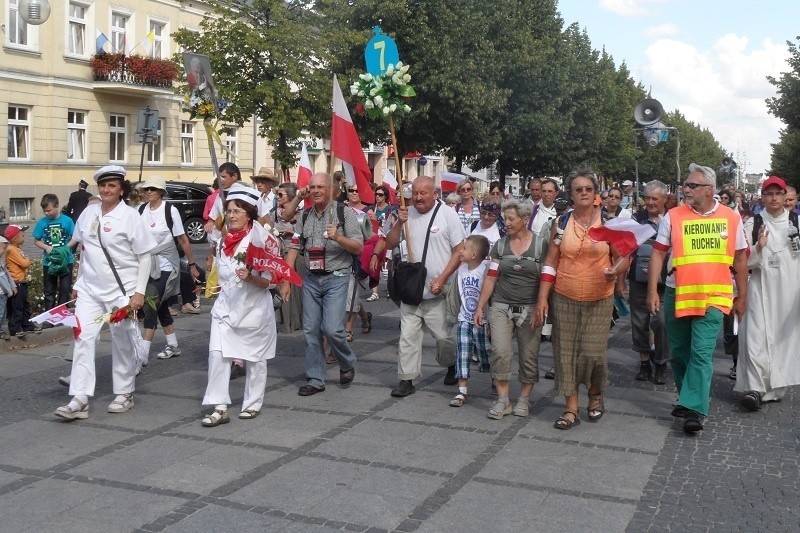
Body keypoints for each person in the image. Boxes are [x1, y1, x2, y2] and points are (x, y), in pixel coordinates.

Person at [646, 163, 748, 434]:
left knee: (701, 353)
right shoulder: (674, 216)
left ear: (709, 190)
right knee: (679, 354)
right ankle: (687, 397)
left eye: (692, 185)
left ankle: (695, 410)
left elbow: (740, 258)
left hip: (714, 295)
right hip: (676, 293)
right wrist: (652, 291)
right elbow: (658, 252)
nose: (686, 189)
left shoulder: (730, 217)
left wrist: (742, 297)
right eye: (685, 185)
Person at [54, 165, 157, 420]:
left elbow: (145, 257)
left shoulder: (131, 217)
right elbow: (83, 251)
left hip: (121, 291)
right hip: (90, 289)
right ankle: (79, 398)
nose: (106, 190)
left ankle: (124, 392)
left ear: (122, 190)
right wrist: (78, 284)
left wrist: (139, 292)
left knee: (121, 339)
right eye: (103, 185)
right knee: (83, 338)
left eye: (112, 186)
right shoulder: (89, 213)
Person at [535, 169, 628, 430]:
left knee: (592, 353)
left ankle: (595, 394)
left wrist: (615, 270)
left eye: (588, 188)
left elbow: (624, 257)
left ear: (596, 194)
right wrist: (543, 298)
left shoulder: (609, 224)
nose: (584, 193)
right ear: (571, 195)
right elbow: (551, 262)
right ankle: (571, 408)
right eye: (579, 189)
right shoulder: (561, 224)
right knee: (565, 354)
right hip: (564, 297)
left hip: (600, 298)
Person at [200, 184, 277, 426]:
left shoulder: (262, 240)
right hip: (225, 309)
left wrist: (251, 277)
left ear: (250, 214)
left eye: (237, 211)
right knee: (217, 355)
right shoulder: (224, 242)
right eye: (229, 211)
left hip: (253, 310)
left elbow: (270, 282)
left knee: (255, 359)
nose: (231, 216)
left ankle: (252, 403)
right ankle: (219, 406)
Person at [382, 176, 463, 397]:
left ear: (434, 194)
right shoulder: (405, 213)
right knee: (407, 337)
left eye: (423, 193)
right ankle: (406, 379)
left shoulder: (448, 215)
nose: (418, 197)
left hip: (437, 291)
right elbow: (388, 243)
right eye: (415, 193)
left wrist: (443, 278)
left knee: (442, 337)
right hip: (411, 289)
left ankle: (451, 364)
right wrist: (399, 222)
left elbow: (459, 251)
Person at [281, 172, 360, 396]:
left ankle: (347, 362)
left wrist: (339, 238)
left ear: (331, 190)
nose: (315, 191)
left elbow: (358, 247)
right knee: (311, 330)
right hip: (311, 279)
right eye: (312, 187)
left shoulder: (344, 214)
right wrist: (286, 279)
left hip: (336, 276)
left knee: (333, 329)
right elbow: (295, 246)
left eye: (320, 187)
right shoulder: (305, 215)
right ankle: (315, 378)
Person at [735, 176, 800, 410]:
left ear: (785, 197)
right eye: (769, 194)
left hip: (788, 291)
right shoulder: (753, 224)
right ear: (762, 197)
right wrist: (758, 248)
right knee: (754, 336)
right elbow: (741, 260)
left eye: (778, 194)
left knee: (782, 340)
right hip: (759, 289)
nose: (773, 198)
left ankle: (774, 387)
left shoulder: (797, 223)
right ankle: (753, 388)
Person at [476, 199, 545, 419]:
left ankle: (524, 399)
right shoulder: (500, 245)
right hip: (501, 305)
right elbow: (491, 278)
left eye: (511, 219)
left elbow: (548, 278)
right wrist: (480, 308)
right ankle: (503, 400)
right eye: (505, 218)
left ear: (525, 220)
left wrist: (544, 304)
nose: (506, 222)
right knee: (500, 351)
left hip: (530, 306)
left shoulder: (541, 245)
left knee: (528, 355)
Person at [137, 177, 201, 362]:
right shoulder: (140, 210)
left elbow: (182, 239)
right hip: (147, 266)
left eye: (153, 189)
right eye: (147, 189)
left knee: (150, 302)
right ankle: (172, 345)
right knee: (161, 305)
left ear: (161, 192)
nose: (149, 192)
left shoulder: (170, 211)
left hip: (166, 265)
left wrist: (192, 265)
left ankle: (142, 354)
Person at [628, 180, 669, 384]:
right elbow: (625, 249)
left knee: (661, 322)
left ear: (664, 199)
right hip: (638, 278)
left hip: (665, 281)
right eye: (647, 198)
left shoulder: (671, 219)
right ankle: (644, 363)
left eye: (655, 198)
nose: (650, 202)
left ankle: (661, 362)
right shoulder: (636, 219)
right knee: (640, 322)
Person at [447, 235, 491, 407]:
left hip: (483, 320)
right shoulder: (462, 268)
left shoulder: (485, 268)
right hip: (465, 318)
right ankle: (462, 391)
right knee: (463, 353)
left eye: (464, 249)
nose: (461, 251)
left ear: (474, 255)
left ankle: (496, 379)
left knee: (486, 353)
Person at [33, 193, 75, 315]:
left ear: (57, 206)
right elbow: (36, 240)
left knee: (64, 288)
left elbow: (75, 237)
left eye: (49, 210)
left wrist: (66, 247)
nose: (46, 213)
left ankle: (62, 314)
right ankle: (49, 316)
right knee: (49, 290)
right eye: (44, 211)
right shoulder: (42, 222)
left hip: (66, 261)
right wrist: (46, 247)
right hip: (49, 262)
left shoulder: (67, 221)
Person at [343, 185, 375, 341]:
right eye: (351, 190)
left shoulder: (368, 212)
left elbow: (375, 236)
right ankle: (364, 317)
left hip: (359, 259)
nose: (354, 193)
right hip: (341, 256)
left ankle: (348, 330)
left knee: (352, 295)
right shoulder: (340, 209)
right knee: (351, 296)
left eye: (357, 190)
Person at [4, 225, 40, 338]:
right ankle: (15, 328)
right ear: (15, 238)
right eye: (22, 235)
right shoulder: (11, 250)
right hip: (16, 282)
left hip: (21, 281)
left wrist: (25, 259)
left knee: (25, 305)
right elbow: (25, 263)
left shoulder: (17, 249)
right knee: (17, 306)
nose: (24, 237)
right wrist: (27, 259)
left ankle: (26, 324)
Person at [0, 236, 16, 340]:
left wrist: (13, 285)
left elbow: (6, 274)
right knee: (0, 313)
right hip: (2, 291)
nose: (4, 251)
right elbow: (1, 278)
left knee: (3, 312)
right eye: (3, 248)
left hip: (3, 292)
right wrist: (8, 290)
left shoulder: (1, 261)